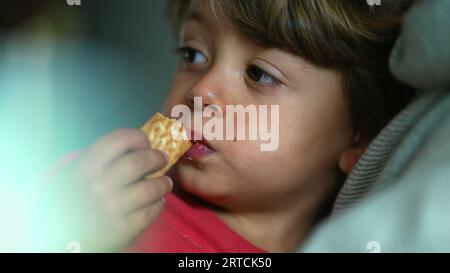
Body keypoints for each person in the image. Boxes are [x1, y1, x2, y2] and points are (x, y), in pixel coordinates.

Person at [49, 0, 415, 252]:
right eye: (193, 54)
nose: (200, 90)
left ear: (361, 134)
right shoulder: (96, 188)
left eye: (260, 74)